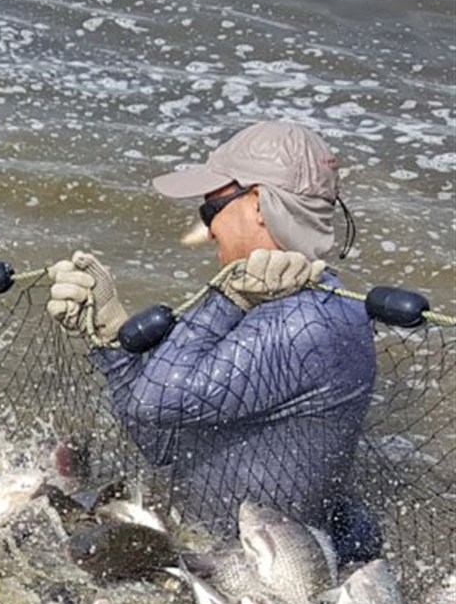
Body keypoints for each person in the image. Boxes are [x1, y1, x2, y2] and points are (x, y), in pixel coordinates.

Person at [44, 120, 379, 561]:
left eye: (211, 210)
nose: (209, 229)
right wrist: (110, 339)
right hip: (212, 552)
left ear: (259, 204)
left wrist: (227, 296)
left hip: (266, 577)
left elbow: (152, 401)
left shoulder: (308, 321)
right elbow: (163, 438)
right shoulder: (272, 302)